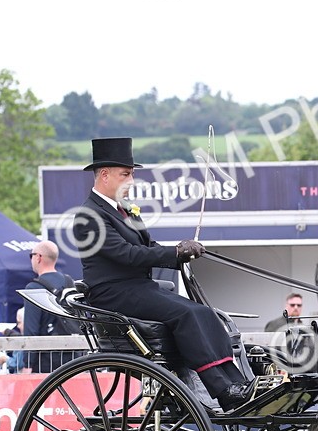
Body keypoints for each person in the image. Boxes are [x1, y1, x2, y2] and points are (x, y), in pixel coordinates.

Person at [71, 137, 253, 411]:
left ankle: (236, 383)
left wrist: (181, 253)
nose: (131, 181)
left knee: (204, 312)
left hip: (138, 288)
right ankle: (222, 389)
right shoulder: (89, 216)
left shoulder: (123, 210)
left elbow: (147, 247)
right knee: (187, 313)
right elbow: (126, 254)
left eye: (132, 174)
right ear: (105, 175)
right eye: (125, 174)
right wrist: (174, 254)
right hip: (114, 293)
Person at [23, 239, 81, 372]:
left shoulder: (33, 288)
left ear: (38, 257)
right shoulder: (69, 282)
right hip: (74, 356)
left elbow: (31, 330)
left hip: (46, 361)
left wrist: (27, 364)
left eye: (31, 255)